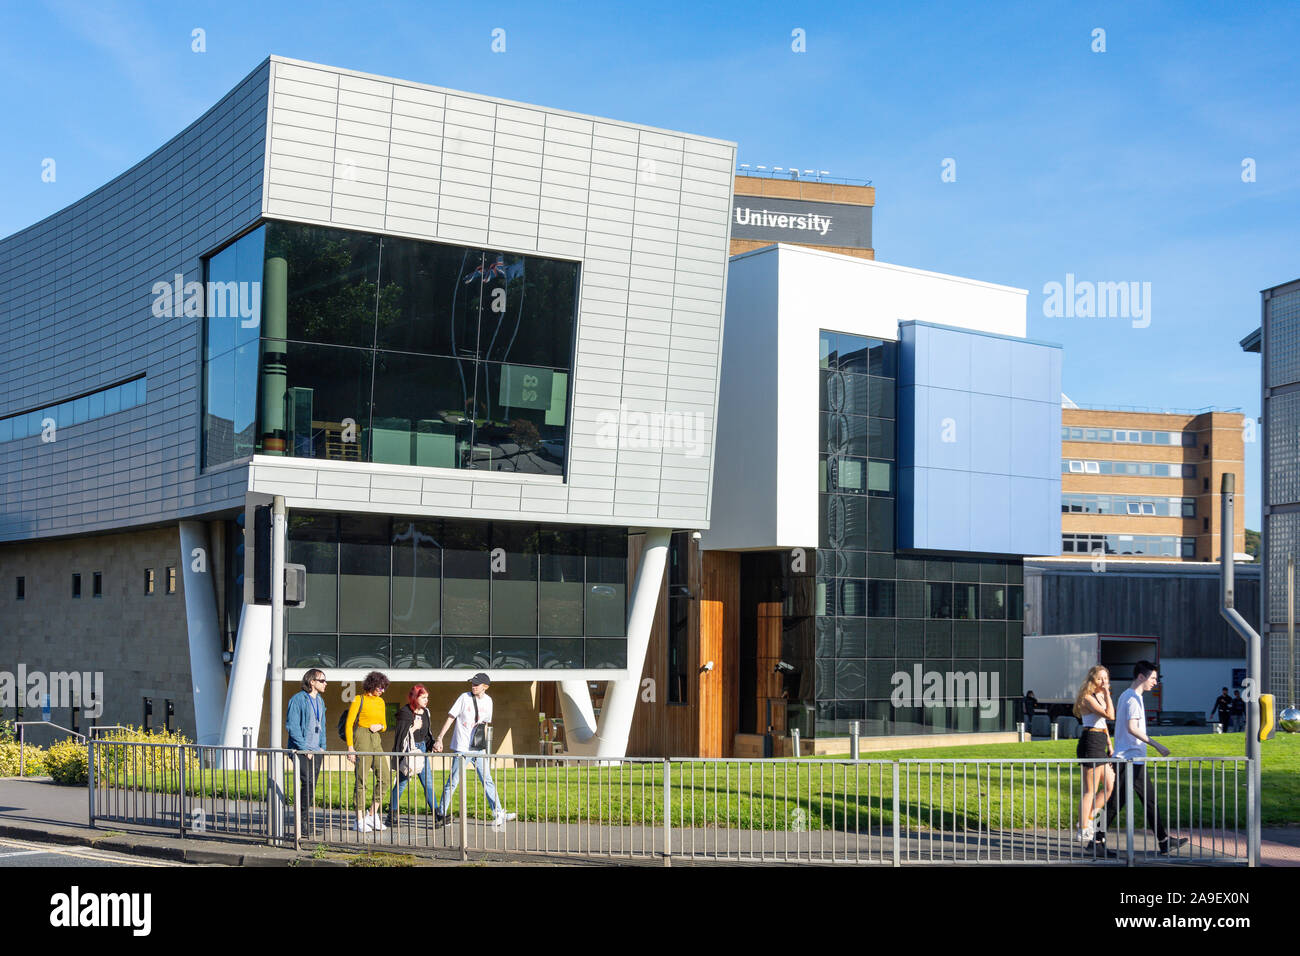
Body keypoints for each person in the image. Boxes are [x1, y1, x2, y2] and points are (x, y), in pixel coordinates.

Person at [1092, 661, 1189, 858]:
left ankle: (1162, 840)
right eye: (1153, 678)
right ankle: (1096, 841)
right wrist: (1157, 745)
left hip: (1130, 759)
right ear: (1141, 677)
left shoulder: (1128, 696)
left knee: (1139, 802)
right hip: (1129, 760)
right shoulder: (1133, 699)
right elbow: (1132, 728)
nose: (1155, 682)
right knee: (1122, 803)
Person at [433, 673, 517, 828]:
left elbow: (485, 724)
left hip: (478, 749)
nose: (473, 686)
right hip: (462, 748)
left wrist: (483, 745)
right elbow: (451, 717)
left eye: (477, 684)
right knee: (453, 782)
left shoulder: (489, 701)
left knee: (487, 780)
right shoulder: (463, 698)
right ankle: (441, 814)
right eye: (472, 683)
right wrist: (440, 738)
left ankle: (498, 813)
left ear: (485, 687)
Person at [1072, 666, 1115, 843]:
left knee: (1109, 786)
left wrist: (1109, 744)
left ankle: (1088, 819)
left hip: (1100, 741)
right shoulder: (1088, 698)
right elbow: (1110, 715)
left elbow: (1104, 723)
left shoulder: (1099, 696)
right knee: (1090, 789)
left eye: (1106, 678)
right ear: (1092, 680)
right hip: (1090, 741)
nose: (1104, 682)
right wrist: (1107, 694)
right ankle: (1082, 829)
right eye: (1100, 679)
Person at [388, 684, 441, 827]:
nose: (426, 700)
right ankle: (391, 815)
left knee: (428, 783)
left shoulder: (426, 712)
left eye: (427, 698)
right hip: (408, 752)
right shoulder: (405, 713)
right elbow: (400, 737)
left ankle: (438, 816)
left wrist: (434, 745)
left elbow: (427, 735)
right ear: (415, 697)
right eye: (423, 697)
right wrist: (413, 728)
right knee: (401, 784)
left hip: (421, 750)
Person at [345, 671, 391, 833]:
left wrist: (380, 727)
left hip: (376, 738)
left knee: (385, 777)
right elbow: (349, 724)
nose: (382, 691)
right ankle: (359, 819)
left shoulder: (381, 702)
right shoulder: (359, 699)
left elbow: (384, 724)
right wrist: (350, 747)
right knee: (361, 780)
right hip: (362, 736)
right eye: (380, 687)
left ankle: (372, 814)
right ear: (372, 685)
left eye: (384, 688)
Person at [286, 668, 327, 836]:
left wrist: (322, 747)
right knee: (307, 784)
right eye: (322, 681)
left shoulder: (320, 701)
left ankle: (305, 823)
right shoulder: (298, 700)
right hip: (301, 751)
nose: (326, 684)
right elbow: (292, 726)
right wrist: (304, 749)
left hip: (316, 751)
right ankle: (301, 824)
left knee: (311, 787)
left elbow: (322, 725)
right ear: (312, 682)